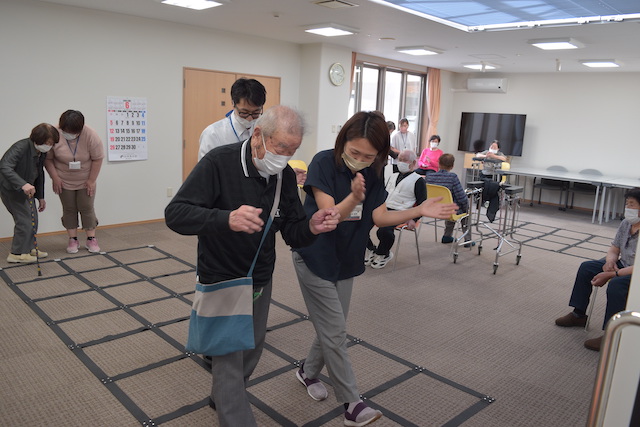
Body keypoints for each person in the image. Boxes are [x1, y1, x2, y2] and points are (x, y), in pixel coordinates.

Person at [165, 106, 339, 427]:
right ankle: (234, 412)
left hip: (260, 276)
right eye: (280, 147)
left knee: (251, 350)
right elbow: (175, 214)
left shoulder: (284, 176)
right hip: (221, 275)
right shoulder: (219, 163)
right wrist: (225, 218)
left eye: (292, 150)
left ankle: (222, 395)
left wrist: (312, 226)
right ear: (258, 134)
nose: (284, 156)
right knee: (228, 355)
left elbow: (294, 234)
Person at [291, 111, 457, 426]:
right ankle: (352, 404)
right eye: (354, 153)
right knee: (336, 331)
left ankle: (307, 372)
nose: (360, 160)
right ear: (343, 142)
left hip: (347, 256)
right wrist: (353, 197)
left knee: (333, 325)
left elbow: (379, 217)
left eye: (369, 156)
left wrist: (418, 209)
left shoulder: (375, 170)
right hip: (314, 255)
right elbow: (329, 215)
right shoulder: (323, 163)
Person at [554, 188, 640, 352]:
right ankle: (579, 315)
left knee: (616, 285)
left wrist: (612, 273)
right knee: (586, 268)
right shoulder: (626, 224)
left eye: (632, 204)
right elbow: (614, 248)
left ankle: (611, 334)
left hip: (636, 272)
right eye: (627, 203)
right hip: (621, 264)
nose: (627, 208)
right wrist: (610, 262)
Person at [44, 110, 105, 254]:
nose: (68, 135)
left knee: (87, 207)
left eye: (72, 132)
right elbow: (48, 158)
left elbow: (98, 158)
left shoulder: (90, 135)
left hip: (85, 180)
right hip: (63, 180)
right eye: (65, 131)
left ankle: (91, 239)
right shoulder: (54, 133)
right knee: (69, 208)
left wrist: (91, 181)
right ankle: (73, 239)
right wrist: (55, 178)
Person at [1, 123, 59, 263]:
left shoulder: (42, 152)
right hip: (11, 189)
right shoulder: (21, 147)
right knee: (24, 220)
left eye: (51, 143)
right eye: (48, 143)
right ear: (38, 139)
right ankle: (17, 253)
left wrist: (41, 197)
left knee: (33, 219)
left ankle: (29, 248)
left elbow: (39, 174)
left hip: (28, 189)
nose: (49, 146)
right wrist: (22, 184)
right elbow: (4, 166)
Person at [365, 149, 426, 269]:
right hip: (384, 208)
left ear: (413, 163)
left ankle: (383, 253)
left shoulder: (418, 180)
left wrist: (414, 218)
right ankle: (371, 249)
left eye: (405, 160)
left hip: (402, 212)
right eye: (400, 159)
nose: (401, 162)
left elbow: (422, 203)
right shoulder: (393, 175)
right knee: (360, 223)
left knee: (383, 230)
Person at [198, 78, 266, 160]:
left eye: (256, 113)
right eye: (244, 113)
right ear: (233, 103)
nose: (250, 118)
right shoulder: (213, 134)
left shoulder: (264, 130)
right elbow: (205, 170)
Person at [424, 154, 470, 244]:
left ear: (438, 164)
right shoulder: (452, 177)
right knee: (462, 209)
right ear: (452, 166)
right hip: (448, 211)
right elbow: (461, 197)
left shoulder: (429, 176)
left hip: (431, 209)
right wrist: (466, 207)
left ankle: (447, 236)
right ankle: (467, 240)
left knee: (451, 203)